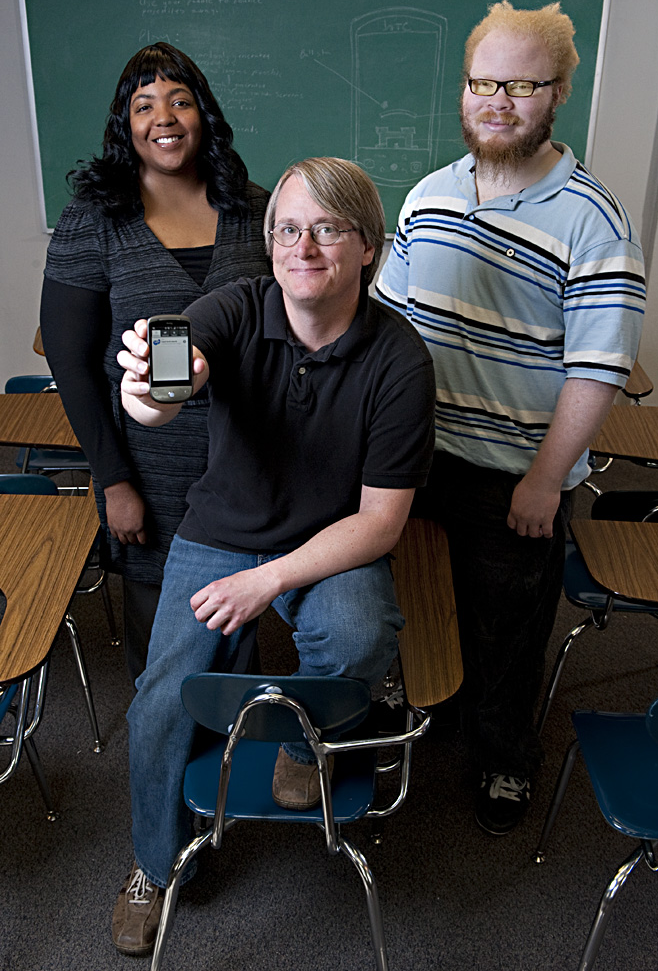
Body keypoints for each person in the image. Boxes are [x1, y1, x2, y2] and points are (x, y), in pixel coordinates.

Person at [110, 156, 435, 956]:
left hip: (331, 538)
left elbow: (381, 523)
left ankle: (300, 748)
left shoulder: (400, 360)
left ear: (368, 246)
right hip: (222, 528)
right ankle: (155, 864)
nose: (304, 246)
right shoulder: (232, 307)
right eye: (288, 228)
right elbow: (160, 397)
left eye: (328, 228)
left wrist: (269, 580)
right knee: (160, 701)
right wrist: (144, 387)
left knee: (360, 638)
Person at [376, 1, 646, 836]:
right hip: (419, 460)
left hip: (513, 475)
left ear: (558, 91)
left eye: (521, 84)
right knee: (416, 604)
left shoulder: (593, 222)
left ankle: (502, 759)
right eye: (482, 81)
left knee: (507, 624)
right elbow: (387, 328)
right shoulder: (428, 197)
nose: (497, 100)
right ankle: (436, 713)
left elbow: (595, 369)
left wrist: (541, 478)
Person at [39, 43, 271, 683]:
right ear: (126, 124)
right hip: (148, 471)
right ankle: (163, 764)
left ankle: (228, 756)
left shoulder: (256, 208)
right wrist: (114, 482)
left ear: (204, 114)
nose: (164, 117)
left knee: (238, 621)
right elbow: (73, 363)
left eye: (180, 100)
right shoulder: (95, 219)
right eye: (144, 105)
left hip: (247, 461)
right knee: (161, 645)